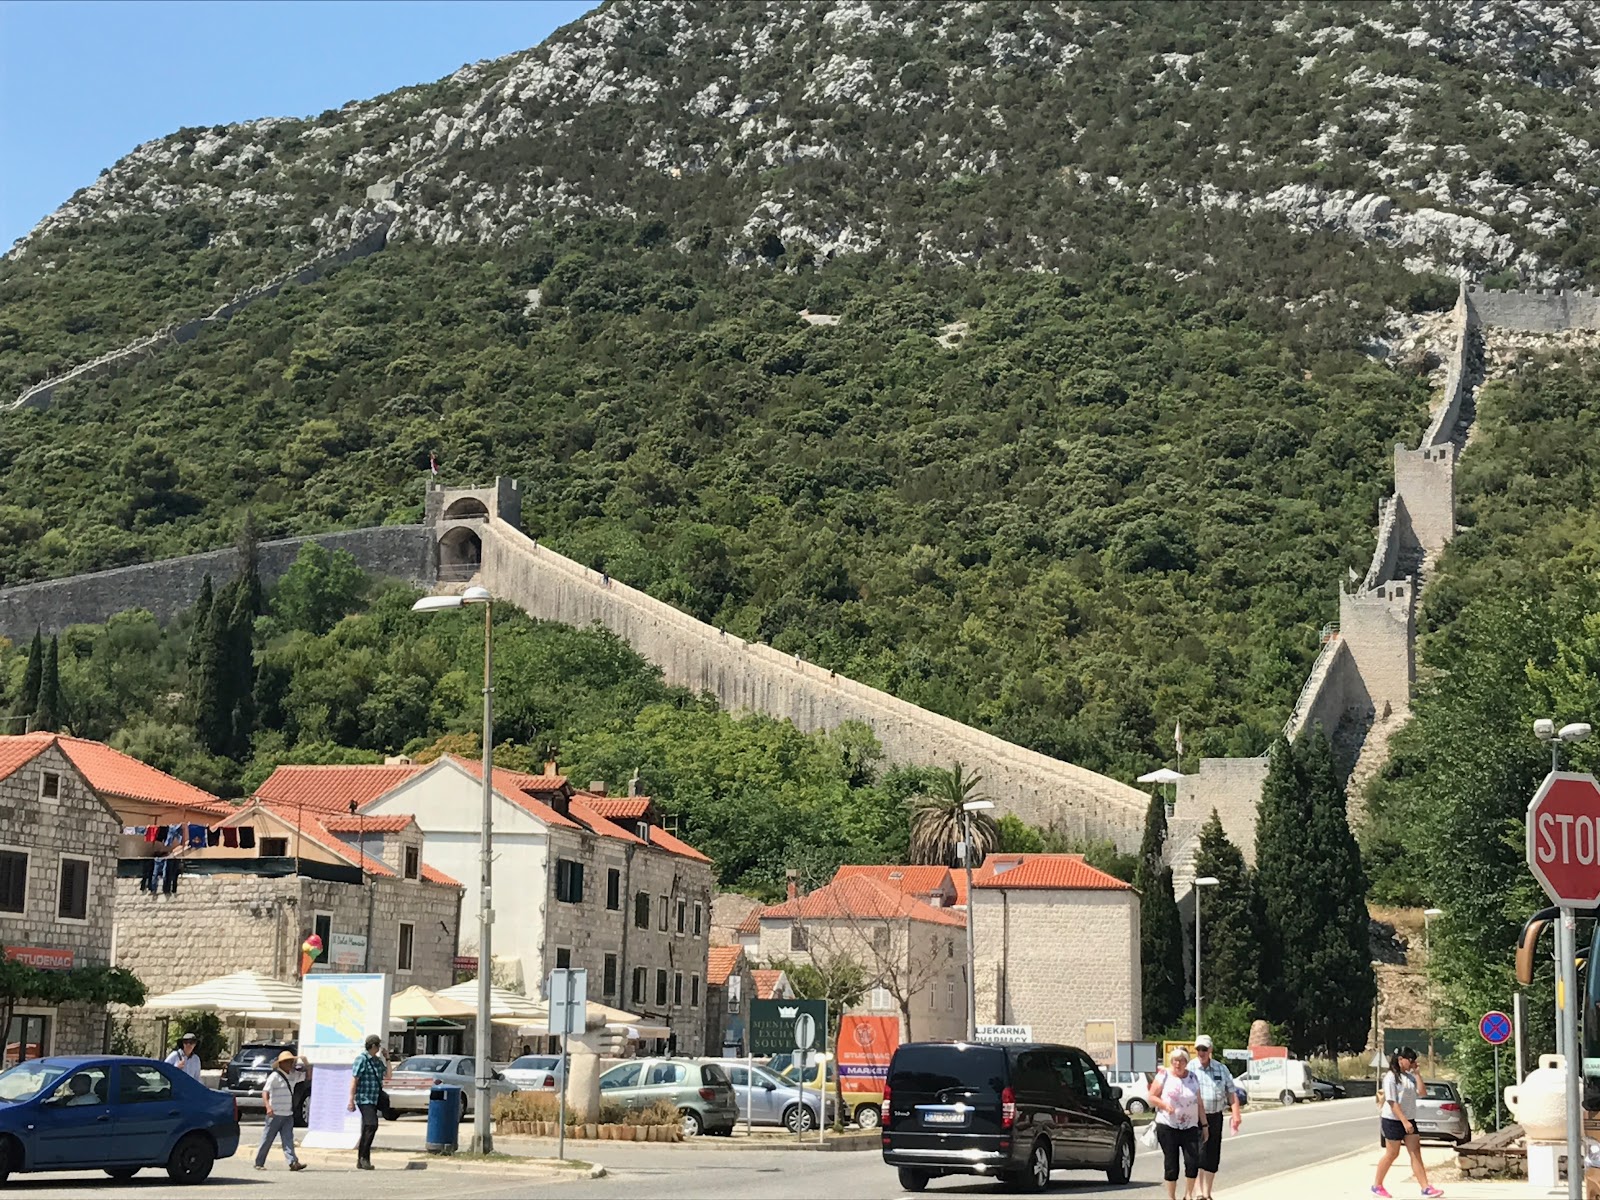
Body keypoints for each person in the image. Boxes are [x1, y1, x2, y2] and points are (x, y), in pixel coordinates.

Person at [1373, 1046, 1443, 1198]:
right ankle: (1377, 1185)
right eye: (1410, 1060)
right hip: (1393, 1119)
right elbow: (1392, 1102)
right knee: (1392, 1153)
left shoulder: (1409, 1077)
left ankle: (1425, 1187)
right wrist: (1404, 1122)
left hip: (1409, 1119)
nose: (1412, 1063)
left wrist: (1417, 1074)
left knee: (1415, 1152)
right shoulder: (1390, 1077)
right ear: (1400, 1060)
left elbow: (1422, 1093)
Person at [1149, 1046, 1205, 1200]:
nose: (1177, 1064)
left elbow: (1199, 1102)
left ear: (1186, 1062)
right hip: (1168, 1126)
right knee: (1171, 1164)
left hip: (1190, 1127)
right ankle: (1171, 1197)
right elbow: (1152, 1096)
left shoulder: (1193, 1077)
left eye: (1181, 1061)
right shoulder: (1164, 1075)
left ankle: (1188, 1195)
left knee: (1192, 1162)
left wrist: (1204, 1125)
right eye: (1175, 1060)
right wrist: (1164, 1105)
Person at [1191, 1035, 1242, 1200]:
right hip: (1195, 1117)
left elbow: (1231, 1092)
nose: (1201, 1052)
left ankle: (1207, 1192)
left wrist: (1236, 1114)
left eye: (1204, 1049)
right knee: (1199, 1153)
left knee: (1212, 1154)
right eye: (1198, 1049)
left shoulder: (1221, 1069)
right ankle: (1198, 1191)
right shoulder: (1191, 1068)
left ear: (1210, 1050)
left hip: (1215, 1116)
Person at [256, 1051, 306, 1172]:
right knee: (267, 1139)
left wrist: (305, 1062)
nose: (290, 1064)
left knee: (288, 1139)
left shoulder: (293, 1075)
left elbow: (308, 1075)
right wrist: (268, 1106)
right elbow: (265, 1092)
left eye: (292, 1061)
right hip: (275, 1113)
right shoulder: (274, 1076)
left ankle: (293, 1162)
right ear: (281, 1063)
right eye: (288, 1062)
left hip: (288, 1114)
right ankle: (259, 1162)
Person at [348, 1034, 389, 1171]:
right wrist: (351, 1100)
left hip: (374, 1098)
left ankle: (363, 1159)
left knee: (367, 1127)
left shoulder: (377, 1061)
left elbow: (388, 1075)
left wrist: (387, 1058)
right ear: (373, 1046)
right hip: (364, 1098)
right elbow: (355, 1079)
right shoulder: (362, 1059)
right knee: (371, 1125)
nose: (379, 1048)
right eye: (378, 1046)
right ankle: (363, 1157)